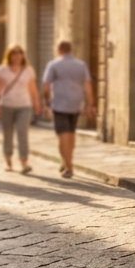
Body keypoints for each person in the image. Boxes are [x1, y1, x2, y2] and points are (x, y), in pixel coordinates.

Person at [41, 40, 93, 179]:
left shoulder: (53, 65)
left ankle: (68, 166)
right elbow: (87, 86)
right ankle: (67, 160)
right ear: (71, 49)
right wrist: (90, 104)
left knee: (63, 135)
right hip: (76, 104)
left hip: (59, 104)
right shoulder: (81, 65)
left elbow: (46, 86)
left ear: (58, 50)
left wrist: (46, 101)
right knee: (71, 133)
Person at [0, 45, 38, 174]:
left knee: (23, 132)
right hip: (6, 106)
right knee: (8, 134)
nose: (17, 56)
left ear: (23, 55)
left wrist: (37, 104)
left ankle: (24, 162)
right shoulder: (2, 70)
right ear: (9, 55)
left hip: (24, 106)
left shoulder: (28, 70)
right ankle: (8, 160)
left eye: (19, 53)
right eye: (14, 53)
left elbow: (33, 89)